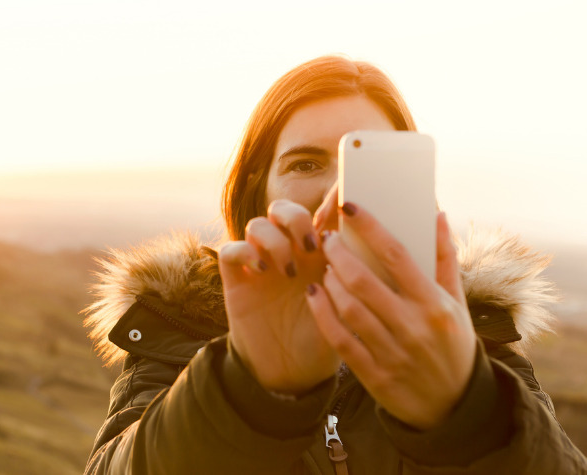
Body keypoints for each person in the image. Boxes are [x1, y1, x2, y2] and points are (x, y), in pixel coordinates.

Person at [82, 55, 587, 474]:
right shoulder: (176, 337)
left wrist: (468, 414)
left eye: (367, 170)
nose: (336, 193)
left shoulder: (473, 342)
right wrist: (247, 390)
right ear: (258, 191)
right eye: (306, 163)